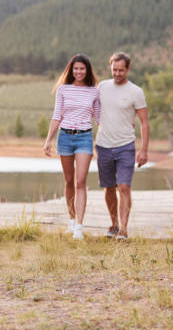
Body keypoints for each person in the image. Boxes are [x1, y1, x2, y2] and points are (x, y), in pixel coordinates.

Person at [43, 54, 100, 240]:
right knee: (69, 182)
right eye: (76, 68)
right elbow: (57, 115)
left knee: (80, 182)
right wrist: (48, 140)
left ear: (87, 70)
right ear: (71, 70)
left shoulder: (94, 91)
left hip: (84, 137)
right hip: (65, 137)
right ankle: (72, 221)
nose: (79, 72)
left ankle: (79, 228)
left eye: (82, 69)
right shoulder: (63, 90)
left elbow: (99, 118)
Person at [96, 52, 150, 240]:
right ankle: (114, 224)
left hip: (126, 145)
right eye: (114, 70)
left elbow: (144, 122)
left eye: (121, 70)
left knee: (124, 186)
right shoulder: (102, 87)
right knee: (109, 187)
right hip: (103, 145)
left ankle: (124, 230)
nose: (117, 73)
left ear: (128, 69)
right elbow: (92, 108)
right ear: (110, 68)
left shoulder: (136, 92)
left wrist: (144, 150)